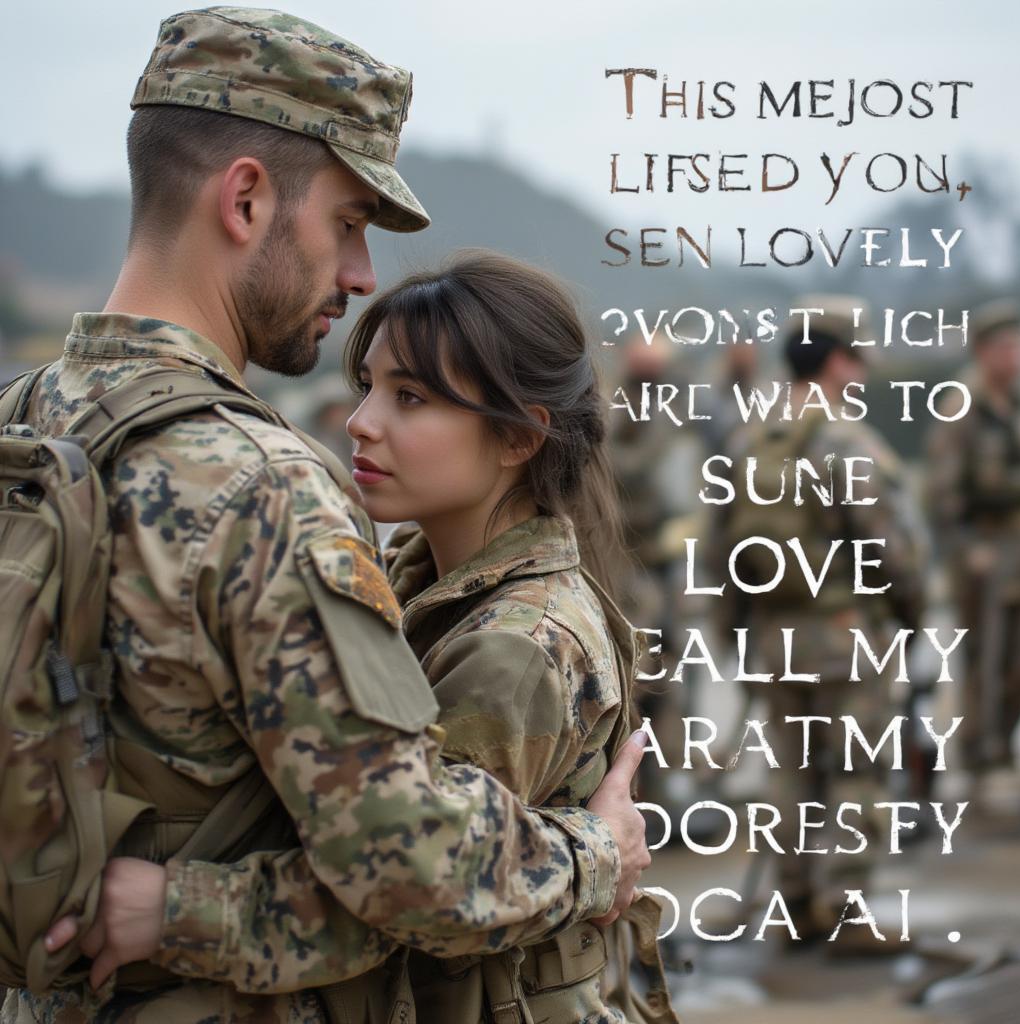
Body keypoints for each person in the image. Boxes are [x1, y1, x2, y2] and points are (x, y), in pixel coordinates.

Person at [5, 9, 648, 1023]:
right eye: (347, 223)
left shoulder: (24, 422)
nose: (358, 274)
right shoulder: (259, 484)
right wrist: (599, 851)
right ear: (248, 199)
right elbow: (417, 869)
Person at [344, 251, 677, 1023]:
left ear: (520, 438)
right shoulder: (427, 585)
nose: (362, 422)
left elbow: (408, 898)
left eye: (411, 396)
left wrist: (172, 907)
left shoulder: (511, 649)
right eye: (367, 387)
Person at [713, 298, 924, 942]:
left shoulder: (750, 437)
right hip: (844, 633)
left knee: (791, 770)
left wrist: (736, 634)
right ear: (836, 360)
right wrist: (909, 618)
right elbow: (890, 549)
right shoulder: (845, 439)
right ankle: (848, 912)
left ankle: (796, 903)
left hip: (775, 637)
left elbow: (722, 548)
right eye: (857, 359)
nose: (861, 373)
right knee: (856, 770)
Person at [926, 299, 1020, 783]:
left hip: (1018, 545)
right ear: (983, 351)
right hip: (982, 548)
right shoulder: (961, 406)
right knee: (983, 656)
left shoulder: (1018, 401)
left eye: (1018, 343)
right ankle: (979, 753)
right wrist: (966, 550)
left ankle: (1004, 744)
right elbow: (942, 494)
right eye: (1004, 346)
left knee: (1018, 660)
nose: (1015, 354)